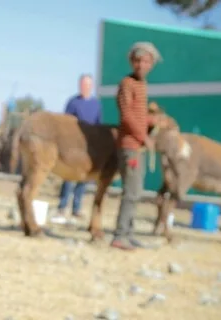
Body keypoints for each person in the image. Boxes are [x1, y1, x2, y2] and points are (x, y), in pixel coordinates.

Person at [111, 42, 162, 251]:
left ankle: (128, 234)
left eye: (147, 61)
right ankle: (120, 236)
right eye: (138, 60)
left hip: (136, 146)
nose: (142, 65)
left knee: (136, 191)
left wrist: (153, 120)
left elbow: (138, 115)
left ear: (152, 64)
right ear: (132, 62)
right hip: (131, 145)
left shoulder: (141, 85)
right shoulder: (127, 84)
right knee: (131, 192)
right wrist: (144, 137)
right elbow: (127, 116)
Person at [51, 74, 102, 224]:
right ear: (80, 85)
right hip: (73, 146)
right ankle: (62, 207)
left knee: (83, 178)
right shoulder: (73, 102)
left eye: (88, 84)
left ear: (91, 86)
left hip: (89, 147)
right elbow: (65, 123)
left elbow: (99, 124)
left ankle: (76, 209)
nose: (85, 87)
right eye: (83, 84)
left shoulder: (96, 104)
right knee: (69, 177)